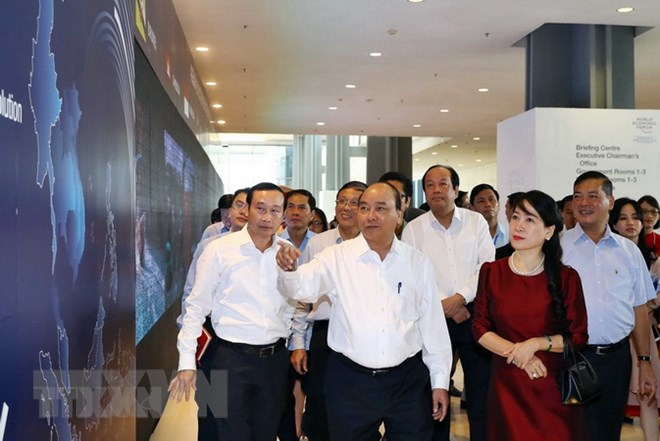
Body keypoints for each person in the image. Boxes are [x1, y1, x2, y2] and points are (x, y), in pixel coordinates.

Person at [276, 182, 453, 441]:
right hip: (350, 380)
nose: (370, 216)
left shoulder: (417, 262)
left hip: (406, 380)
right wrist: (289, 271)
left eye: (380, 208)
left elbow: (432, 327)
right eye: (364, 208)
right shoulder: (336, 257)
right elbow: (302, 287)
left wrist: (439, 381)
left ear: (399, 215)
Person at [169, 182, 295, 441]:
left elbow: (293, 303)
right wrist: (186, 363)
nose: (266, 217)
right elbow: (196, 306)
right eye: (260, 208)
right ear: (247, 209)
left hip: (274, 361)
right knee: (229, 433)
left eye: (274, 210)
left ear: (283, 215)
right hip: (230, 359)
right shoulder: (219, 249)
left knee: (266, 432)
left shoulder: (286, 253)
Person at [472, 190, 589, 440]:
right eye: (516, 217)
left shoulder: (566, 277)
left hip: (550, 385)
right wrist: (520, 355)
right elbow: (480, 328)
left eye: (530, 219)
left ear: (549, 231)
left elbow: (578, 336)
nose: (519, 226)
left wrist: (535, 344)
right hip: (507, 384)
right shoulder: (491, 271)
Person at [561, 171, 657, 441]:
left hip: (616, 359)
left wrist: (644, 362)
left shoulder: (629, 252)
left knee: (608, 431)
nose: (584, 203)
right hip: (570, 358)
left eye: (593, 196)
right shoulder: (558, 248)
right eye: (578, 196)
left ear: (610, 201)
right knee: (570, 432)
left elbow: (639, 309)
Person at [402, 164, 494, 441]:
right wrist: (445, 306)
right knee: (435, 388)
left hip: (473, 314)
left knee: (480, 390)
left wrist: (460, 299)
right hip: (432, 316)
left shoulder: (476, 222)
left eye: (443, 183)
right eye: (430, 185)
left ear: (455, 189)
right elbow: (413, 275)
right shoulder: (413, 229)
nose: (436, 190)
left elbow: (486, 267)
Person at [290, 180, 367, 441]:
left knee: (359, 406)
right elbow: (302, 298)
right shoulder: (319, 243)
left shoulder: (374, 243)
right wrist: (299, 343)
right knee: (320, 404)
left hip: (362, 334)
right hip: (324, 335)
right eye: (341, 201)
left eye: (354, 202)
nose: (346, 207)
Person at [175, 187, 249, 440]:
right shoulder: (210, 245)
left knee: (241, 411)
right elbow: (191, 291)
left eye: (249, 205)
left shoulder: (269, 248)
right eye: (238, 204)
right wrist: (190, 333)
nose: (243, 210)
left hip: (247, 342)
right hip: (212, 339)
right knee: (210, 409)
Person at [610, 197, 660, 441]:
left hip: (644, 334)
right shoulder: (608, 254)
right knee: (615, 396)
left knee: (649, 394)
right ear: (613, 223)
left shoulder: (652, 256)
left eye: (635, 217)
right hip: (618, 334)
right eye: (623, 218)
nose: (630, 223)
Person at [278, 189, 317, 441]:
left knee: (310, 389)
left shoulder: (320, 244)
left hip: (310, 332)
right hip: (280, 332)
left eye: (302, 207)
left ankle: (302, 430)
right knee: (282, 393)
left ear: (312, 214)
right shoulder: (273, 243)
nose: (295, 212)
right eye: (290, 207)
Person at [470, 183, 508, 248]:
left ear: (498, 204)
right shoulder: (466, 236)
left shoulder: (509, 235)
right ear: (472, 208)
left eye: (491, 199)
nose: (488, 204)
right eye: (481, 201)